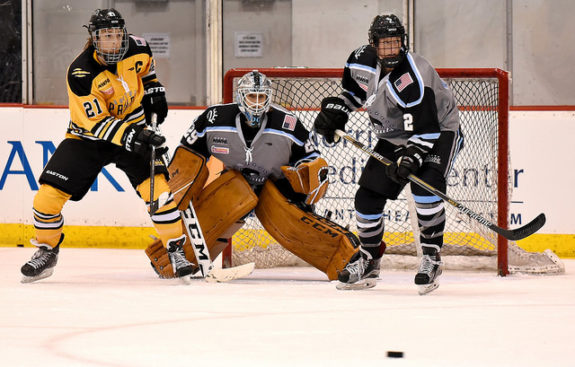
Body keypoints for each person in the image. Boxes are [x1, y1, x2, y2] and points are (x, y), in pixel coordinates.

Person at [20, 8, 195, 283]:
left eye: (116, 34)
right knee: (46, 198)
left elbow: (147, 71)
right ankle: (46, 249)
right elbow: (98, 125)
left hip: (134, 130)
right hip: (87, 139)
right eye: (105, 36)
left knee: (160, 194)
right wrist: (137, 137)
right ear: (94, 39)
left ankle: (175, 250)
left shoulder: (139, 48)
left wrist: (153, 88)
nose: (113, 41)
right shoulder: (81, 73)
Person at [145, 70, 359, 281]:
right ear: (240, 97)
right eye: (252, 96)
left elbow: (311, 156)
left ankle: (349, 259)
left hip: (276, 186)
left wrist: (306, 174)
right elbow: (188, 155)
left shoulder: (288, 124)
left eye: (262, 97)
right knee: (225, 202)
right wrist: (177, 197)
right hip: (236, 183)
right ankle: (175, 257)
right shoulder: (214, 118)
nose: (257, 103)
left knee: (295, 226)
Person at [314, 14, 464, 294]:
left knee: (425, 189)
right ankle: (370, 260)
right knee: (366, 198)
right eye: (385, 44)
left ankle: (431, 257)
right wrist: (339, 111)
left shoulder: (413, 77)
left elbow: (427, 129)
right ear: (373, 43)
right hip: (394, 134)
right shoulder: (360, 60)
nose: (391, 50)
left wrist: (411, 158)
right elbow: (353, 92)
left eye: (396, 43)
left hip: (439, 131)